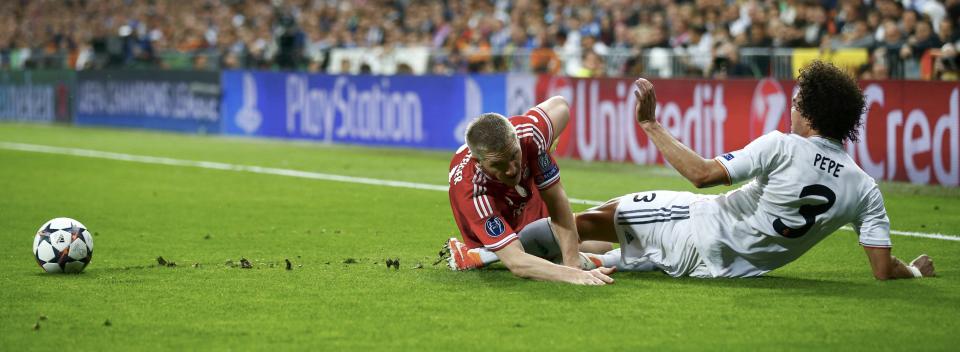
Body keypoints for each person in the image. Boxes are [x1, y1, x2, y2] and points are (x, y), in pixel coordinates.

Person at [575, 61, 935, 279]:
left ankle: (517, 244)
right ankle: (569, 259)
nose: (790, 111)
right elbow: (882, 269)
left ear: (810, 114)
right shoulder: (864, 188)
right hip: (717, 270)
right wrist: (916, 271)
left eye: (795, 104)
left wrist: (651, 124)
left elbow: (701, 174)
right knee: (603, 257)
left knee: (583, 222)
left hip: (692, 225)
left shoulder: (783, 145)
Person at [442, 96, 616, 285]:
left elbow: (560, 105)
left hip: (528, 206)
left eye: (514, 155)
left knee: (602, 245)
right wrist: (573, 275)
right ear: (479, 162)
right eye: (498, 164)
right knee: (520, 254)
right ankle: (481, 254)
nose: (511, 169)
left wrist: (572, 263)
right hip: (495, 220)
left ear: (516, 138)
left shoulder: (529, 135)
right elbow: (517, 263)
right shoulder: (472, 189)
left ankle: (487, 256)